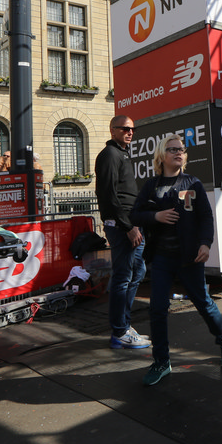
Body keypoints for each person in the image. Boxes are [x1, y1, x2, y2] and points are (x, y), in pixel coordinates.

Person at [131, 135, 222, 386]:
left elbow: (206, 217)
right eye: (173, 149)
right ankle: (161, 361)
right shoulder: (151, 185)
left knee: (203, 302)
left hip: (190, 258)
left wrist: (205, 243)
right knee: (157, 308)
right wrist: (156, 216)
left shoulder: (193, 183)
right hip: (162, 259)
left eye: (182, 149)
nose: (179, 152)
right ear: (161, 155)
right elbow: (135, 214)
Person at [94, 115, 150, 350]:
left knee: (138, 271)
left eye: (132, 129)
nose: (130, 132)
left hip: (131, 223)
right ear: (112, 130)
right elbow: (108, 195)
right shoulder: (109, 155)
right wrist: (127, 226)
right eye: (125, 129)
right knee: (123, 276)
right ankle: (119, 331)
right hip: (123, 227)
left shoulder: (122, 154)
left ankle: (124, 325)